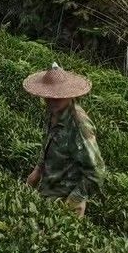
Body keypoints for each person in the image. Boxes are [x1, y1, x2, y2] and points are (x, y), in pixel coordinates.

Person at [24, 62, 105, 215]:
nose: (52, 100)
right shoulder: (53, 112)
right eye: (49, 96)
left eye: (58, 97)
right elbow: (48, 142)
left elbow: (96, 172)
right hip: (48, 189)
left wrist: (73, 201)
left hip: (66, 198)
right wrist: (37, 170)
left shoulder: (79, 125)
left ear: (69, 95)